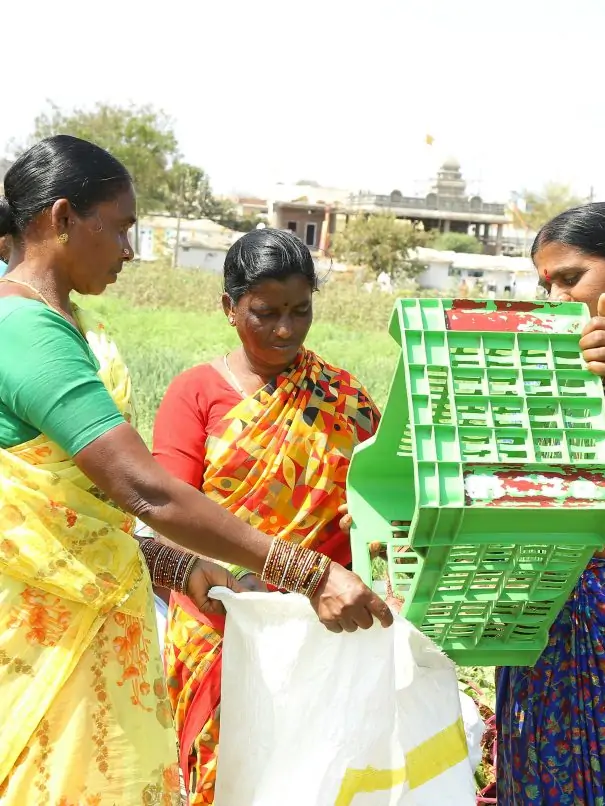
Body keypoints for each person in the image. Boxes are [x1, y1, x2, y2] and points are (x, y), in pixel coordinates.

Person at [0, 137, 392, 805]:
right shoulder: (25, 329)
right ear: (63, 218)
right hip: (46, 625)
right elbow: (141, 487)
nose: (129, 250)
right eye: (120, 228)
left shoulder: (65, 324)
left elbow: (87, 502)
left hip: (90, 609)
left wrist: (173, 565)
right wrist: (309, 572)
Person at [152, 228, 381, 804]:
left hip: (320, 619)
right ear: (229, 307)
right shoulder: (195, 394)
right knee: (224, 775)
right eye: (266, 312)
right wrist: (229, 581)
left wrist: (367, 532)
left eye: (300, 311)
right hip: (220, 617)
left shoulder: (341, 397)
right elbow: (168, 514)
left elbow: (382, 497)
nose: (286, 330)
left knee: (311, 776)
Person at [496, 202, 605, 804]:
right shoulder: (539, 367)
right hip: (543, 610)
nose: (558, 299)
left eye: (572, 278)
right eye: (548, 286)